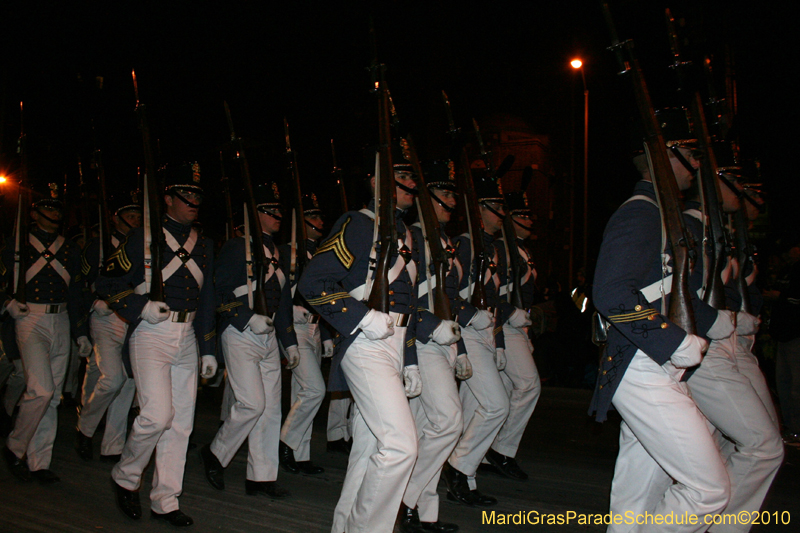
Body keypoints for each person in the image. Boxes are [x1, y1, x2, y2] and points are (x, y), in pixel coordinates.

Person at [591, 109, 731, 532]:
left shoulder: (659, 214)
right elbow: (611, 293)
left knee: (638, 493)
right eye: (690, 153)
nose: (697, 166)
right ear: (666, 156)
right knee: (709, 491)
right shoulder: (642, 213)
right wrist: (674, 342)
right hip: (641, 363)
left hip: (650, 362)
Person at [298, 146, 420, 533]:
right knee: (401, 446)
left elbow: (410, 302)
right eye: (401, 177)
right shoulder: (358, 223)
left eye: (412, 178)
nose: (411, 185)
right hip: (366, 344)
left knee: (368, 451)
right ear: (378, 182)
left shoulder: (408, 235)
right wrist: (362, 317)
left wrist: (412, 358)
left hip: (397, 345)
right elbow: (312, 282)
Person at [96, 163, 217, 527]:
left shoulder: (205, 243)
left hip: (188, 337)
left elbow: (208, 297)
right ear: (168, 199)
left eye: (198, 196)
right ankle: (126, 475)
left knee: (181, 424)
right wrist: (139, 307)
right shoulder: (141, 237)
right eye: (187, 196)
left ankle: (166, 499)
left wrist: (209, 348)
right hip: (151, 334)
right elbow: (106, 283)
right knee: (156, 416)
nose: (194, 202)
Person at [682, 143, 783, 528]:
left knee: (733, 446)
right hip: (710, 345)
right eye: (736, 182)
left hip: (732, 344)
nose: (745, 194)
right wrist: (723, 322)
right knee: (763, 447)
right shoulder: (694, 228)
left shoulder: (719, 231)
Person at [200, 181, 299, 499]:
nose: (278, 216)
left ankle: (261, 476)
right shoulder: (235, 247)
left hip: (269, 338)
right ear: (255, 215)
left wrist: (290, 341)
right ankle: (215, 453)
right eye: (271, 211)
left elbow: (281, 302)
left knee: (271, 410)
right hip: (240, 333)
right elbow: (220, 292)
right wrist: (245, 317)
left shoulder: (276, 253)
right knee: (252, 403)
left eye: (278, 211)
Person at [2, 182, 91, 483]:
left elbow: (77, 292)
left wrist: (81, 331)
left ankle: (39, 462)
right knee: (41, 389)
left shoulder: (69, 248)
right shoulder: (17, 244)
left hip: (62, 318)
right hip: (30, 318)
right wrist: (8, 303)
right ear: (34, 213)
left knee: (51, 398)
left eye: (57, 209)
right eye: (47, 208)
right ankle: (15, 447)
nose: (53, 213)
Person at [399, 160, 469, 533]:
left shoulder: (444, 242)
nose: (451, 201)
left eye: (452, 195)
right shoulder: (412, 238)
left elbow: (452, 298)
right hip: (422, 340)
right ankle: (406, 499)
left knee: (429, 428)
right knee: (448, 422)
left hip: (446, 342)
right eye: (444, 194)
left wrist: (463, 351)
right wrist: (428, 328)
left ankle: (423, 512)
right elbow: (401, 298)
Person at [442, 170, 509, 507]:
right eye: (495, 204)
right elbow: (447, 293)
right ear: (480, 208)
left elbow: (495, 300)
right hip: (467, 331)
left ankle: (464, 480)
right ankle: (457, 466)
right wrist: (468, 322)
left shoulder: (493, 246)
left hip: (486, 333)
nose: (501, 211)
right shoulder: (466, 245)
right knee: (498, 406)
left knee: (473, 412)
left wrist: (498, 342)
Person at [75, 194, 142, 462]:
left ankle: (113, 446)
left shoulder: (142, 245)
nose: (136, 220)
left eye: (138, 216)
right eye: (131, 216)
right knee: (112, 378)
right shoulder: (97, 246)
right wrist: (93, 302)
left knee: (127, 382)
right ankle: (86, 427)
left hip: (133, 317)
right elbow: (80, 284)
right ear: (117, 219)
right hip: (105, 318)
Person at [487, 182, 541, 481]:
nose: (530, 220)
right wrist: (509, 314)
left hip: (518, 327)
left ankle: (487, 451)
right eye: (523, 214)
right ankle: (501, 450)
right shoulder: (500, 249)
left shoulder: (520, 249)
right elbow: (488, 292)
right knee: (529, 385)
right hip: (503, 325)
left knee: (508, 391)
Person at [278, 193, 332, 476]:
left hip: (313, 326)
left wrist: (324, 334)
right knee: (315, 389)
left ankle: (301, 455)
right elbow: (276, 293)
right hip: (294, 327)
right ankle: (286, 443)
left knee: (302, 392)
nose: (320, 222)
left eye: (320, 217)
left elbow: (321, 296)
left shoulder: (320, 253)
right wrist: (288, 312)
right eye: (313, 217)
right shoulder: (286, 252)